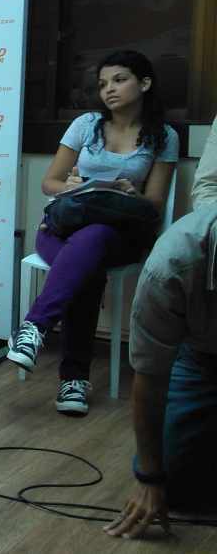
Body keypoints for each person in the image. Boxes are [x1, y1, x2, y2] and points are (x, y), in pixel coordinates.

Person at [7, 50, 178, 416]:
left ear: (144, 83)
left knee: (94, 240)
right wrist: (71, 187)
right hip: (62, 227)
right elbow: (50, 183)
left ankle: (35, 329)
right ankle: (72, 380)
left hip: (120, 235)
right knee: (87, 261)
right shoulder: (86, 124)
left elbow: (155, 204)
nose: (109, 90)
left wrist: (131, 193)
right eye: (102, 84)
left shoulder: (164, 136)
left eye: (119, 80)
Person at [103, 205, 217, 538]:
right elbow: (150, 376)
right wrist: (149, 479)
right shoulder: (172, 265)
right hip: (201, 358)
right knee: (175, 482)